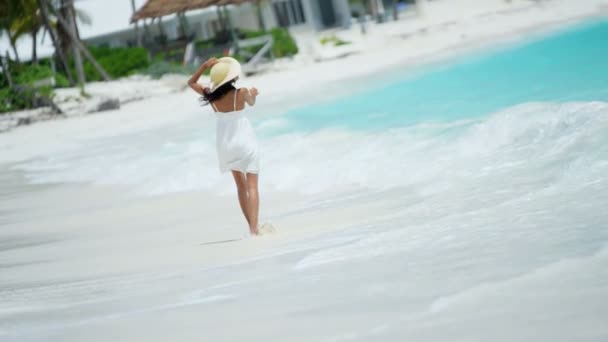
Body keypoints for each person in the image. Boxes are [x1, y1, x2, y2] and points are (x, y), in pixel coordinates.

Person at [188, 57, 261, 236]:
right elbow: (251, 102)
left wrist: (204, 66)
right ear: (233, 78)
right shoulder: (241, 92)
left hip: (226, 145)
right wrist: (253, 93)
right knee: (252, 187)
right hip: (245, 142)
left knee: (241, 187)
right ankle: (254, 230)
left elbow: (191, 82)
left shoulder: (210, 96)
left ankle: (252, 229)